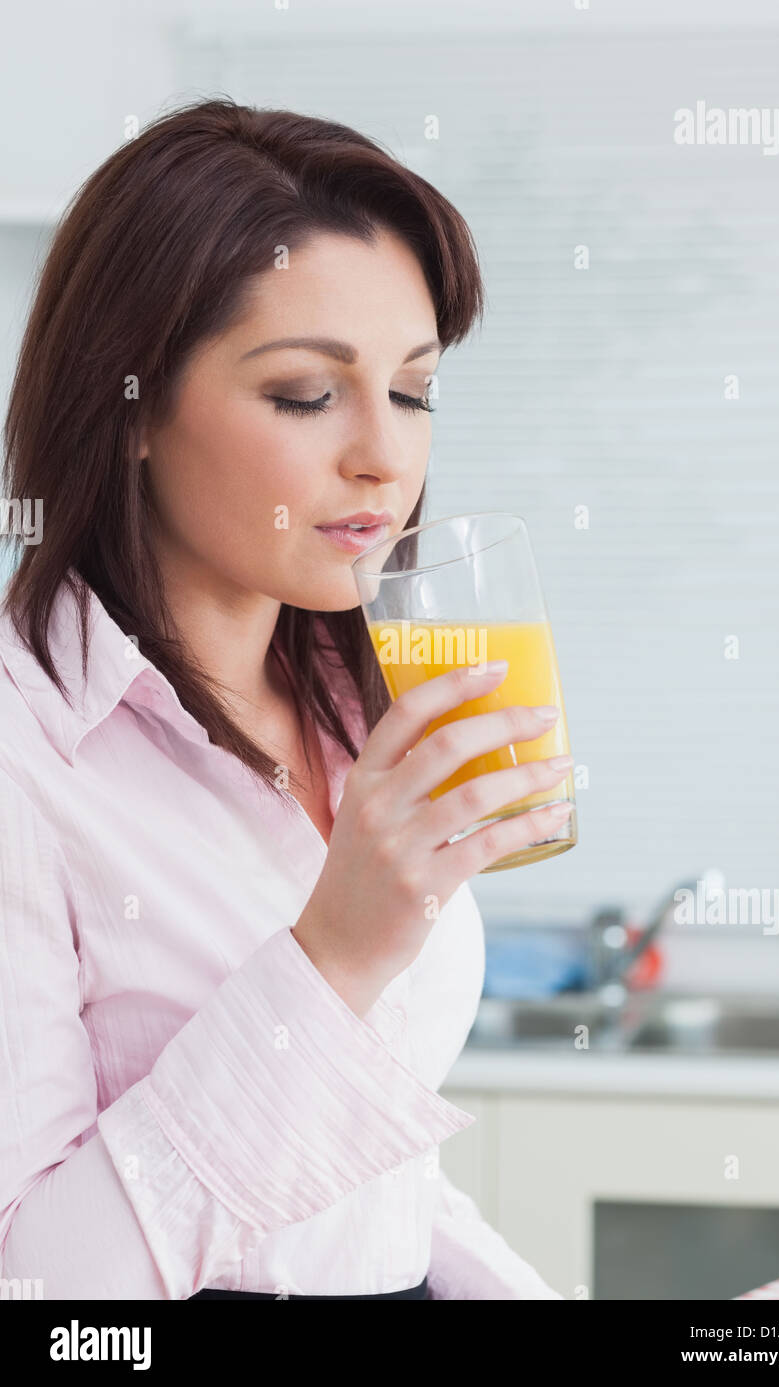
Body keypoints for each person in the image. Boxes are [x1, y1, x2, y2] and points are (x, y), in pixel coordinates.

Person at [0, 98, 568, 1300]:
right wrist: (333, 956)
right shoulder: (25, 748)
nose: (382, 456)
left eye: (412, 392)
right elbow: (37, 1289)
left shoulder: (353, 707)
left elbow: (355, 1187)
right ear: (133, 404)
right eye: (308, 393)